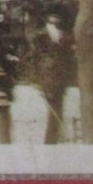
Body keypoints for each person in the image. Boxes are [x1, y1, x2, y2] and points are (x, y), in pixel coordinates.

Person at [33, 9, 76, 144]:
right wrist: (38, 81)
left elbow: (68, 56)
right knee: (54, 112)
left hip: (59, 79)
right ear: (48, 18)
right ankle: (50, 141)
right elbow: (35, 59)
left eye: (57, 16)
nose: (56, 19)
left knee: (57, 111)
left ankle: (54, 139)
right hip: (48, 78)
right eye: (54, 16)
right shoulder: (40, 35)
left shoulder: (63, 35)